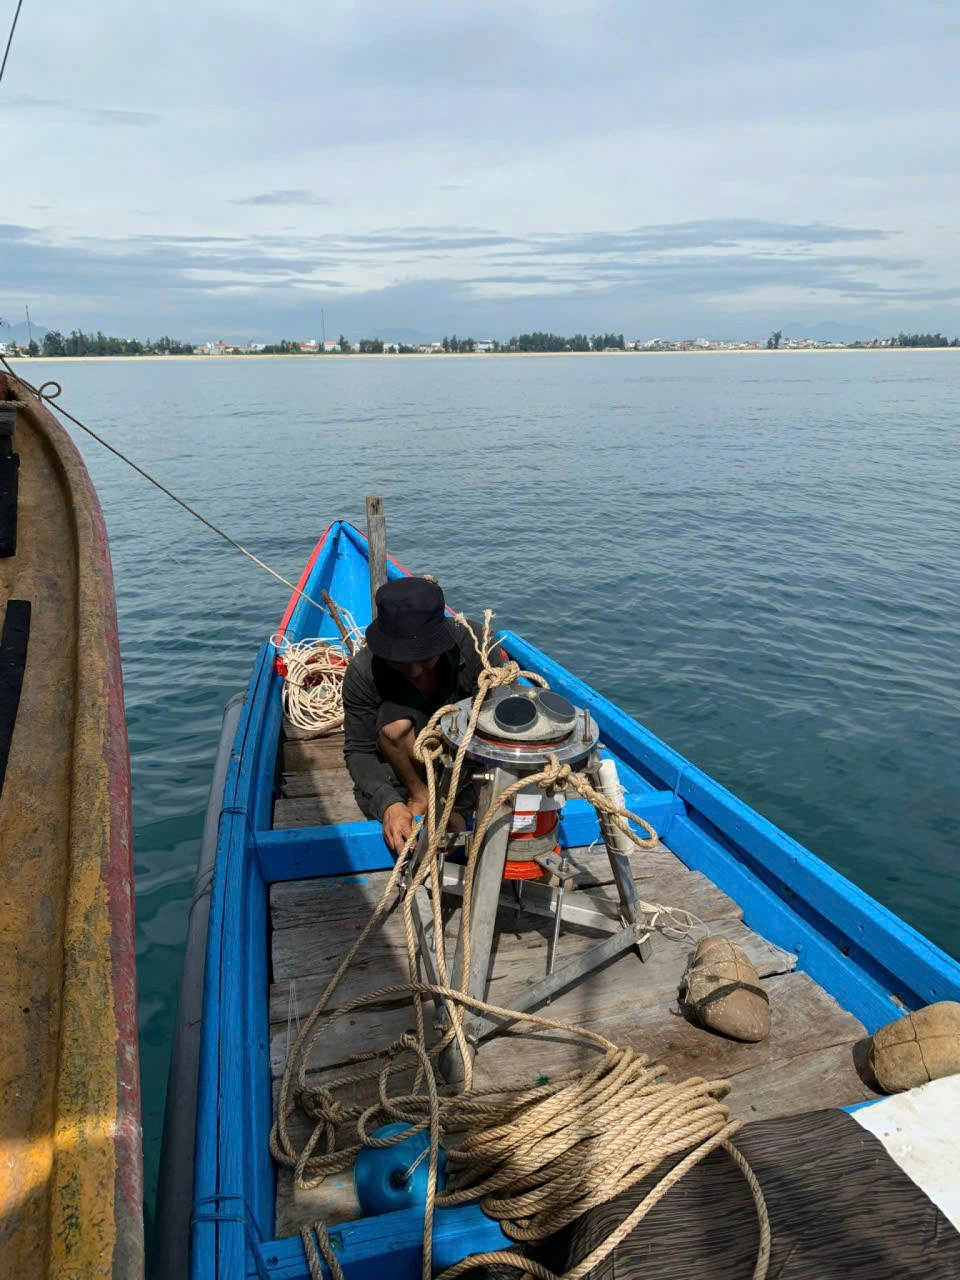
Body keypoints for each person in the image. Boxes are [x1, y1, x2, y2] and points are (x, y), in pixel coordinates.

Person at [342, 576, 502, 854]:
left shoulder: (480, 650)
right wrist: (389, 803)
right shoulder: (362, 672)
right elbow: (359, 750)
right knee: (396, 727)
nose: (416, 671)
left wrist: (462, 805)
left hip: (466, 760)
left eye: (427, 659)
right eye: (402, 662)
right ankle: (420, 795)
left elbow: (498, 737)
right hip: (403, 762)